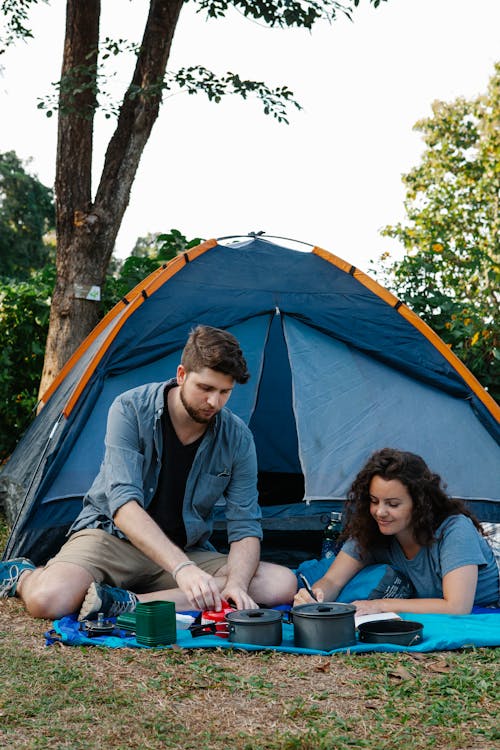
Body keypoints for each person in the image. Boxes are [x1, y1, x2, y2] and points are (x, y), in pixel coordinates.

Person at [1, 325, 297, 620]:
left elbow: (245, 525)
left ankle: (128, 602)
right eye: (205, 388)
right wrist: (183, 570)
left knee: (279, 583)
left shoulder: (237, 438)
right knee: (48, 600)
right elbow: (123, 506)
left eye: (224, 392)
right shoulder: (130, 409)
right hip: (112, 540)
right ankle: (24, 575)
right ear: (182, 375)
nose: (214, 402)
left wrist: (234, 584)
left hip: (185, 549)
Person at [294, 448, 500, 614]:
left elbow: (457, 606)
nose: (380, 512)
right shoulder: (372, 529)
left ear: (419, 504)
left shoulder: (454, 531)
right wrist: (316, 595)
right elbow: (333, 580)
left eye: (392, 504)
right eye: (374, 501)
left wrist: (381, 605)